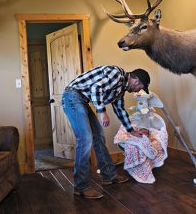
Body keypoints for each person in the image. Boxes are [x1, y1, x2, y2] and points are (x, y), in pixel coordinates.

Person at [61, 65, 150, 199]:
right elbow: (95, 88)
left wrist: (131, 130)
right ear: (136, 81)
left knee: (99, 137)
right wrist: (102, 112)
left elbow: (120, 110)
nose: (138, 90)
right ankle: (81, 187)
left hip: (82, 100)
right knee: (85, 139)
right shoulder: (116, 74)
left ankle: (109, 175)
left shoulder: (120, 90)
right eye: (140, 87)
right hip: (72, 96)